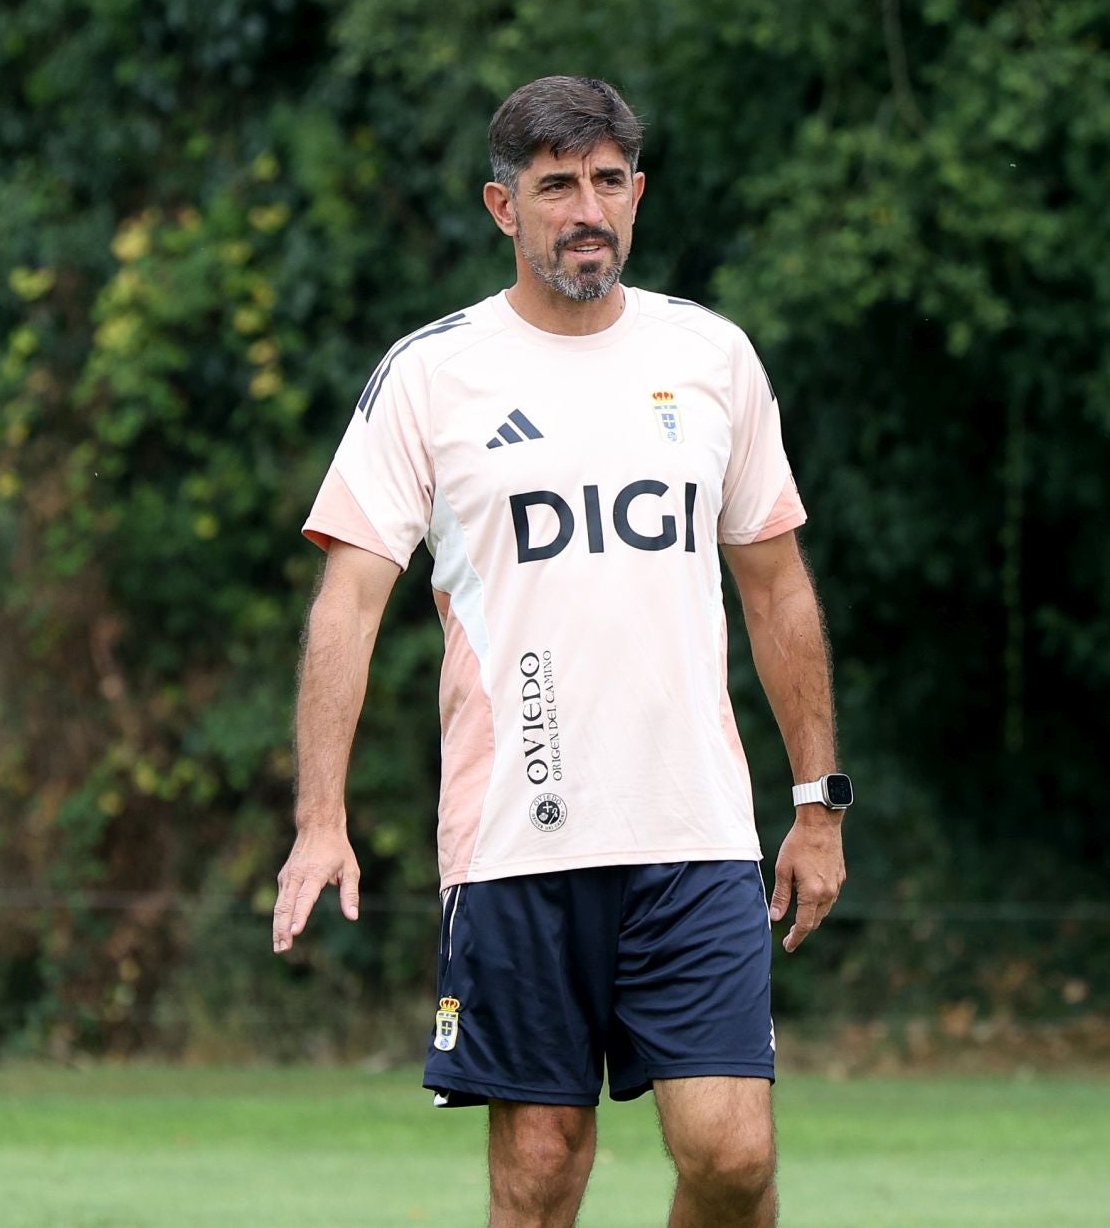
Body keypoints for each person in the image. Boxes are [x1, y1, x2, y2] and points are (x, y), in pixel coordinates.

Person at [271, 75, 850, 1228]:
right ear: (503, 208)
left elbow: (778, 588)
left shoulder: (712, 357)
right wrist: (319, 817)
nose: (586, 209)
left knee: (732, 1156)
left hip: (694, 831)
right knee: (542, 1171)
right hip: (515, 840)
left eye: (606, 182)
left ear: (636, 193)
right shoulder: (434, 374)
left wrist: (819, 802)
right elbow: (348, 603)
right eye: (555, 187)